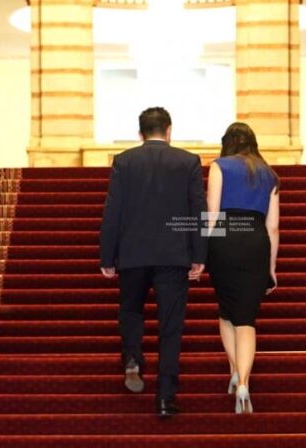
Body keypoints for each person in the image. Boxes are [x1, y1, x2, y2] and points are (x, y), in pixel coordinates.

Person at [99, 107, 208, 418]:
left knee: (130, 310)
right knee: (170, 325)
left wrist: (107, 255)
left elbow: (113, 210)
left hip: (133, 254)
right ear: (169, 130)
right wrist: (199, 255)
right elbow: (197, 211)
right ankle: (165, 396)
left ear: (140, 133)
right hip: (174, 255)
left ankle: (133, 357)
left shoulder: (124, 161)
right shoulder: (188, 162)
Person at [205, 122, 280, 414]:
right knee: (246, 318)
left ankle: (236, 370)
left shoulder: (219, 167)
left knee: (226, 312)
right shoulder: (269, 174)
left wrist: (200, 250)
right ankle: (244, 384)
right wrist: (271, 268)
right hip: (256, 243)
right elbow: (273, 227)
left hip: (224, 241)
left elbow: (212, 214)